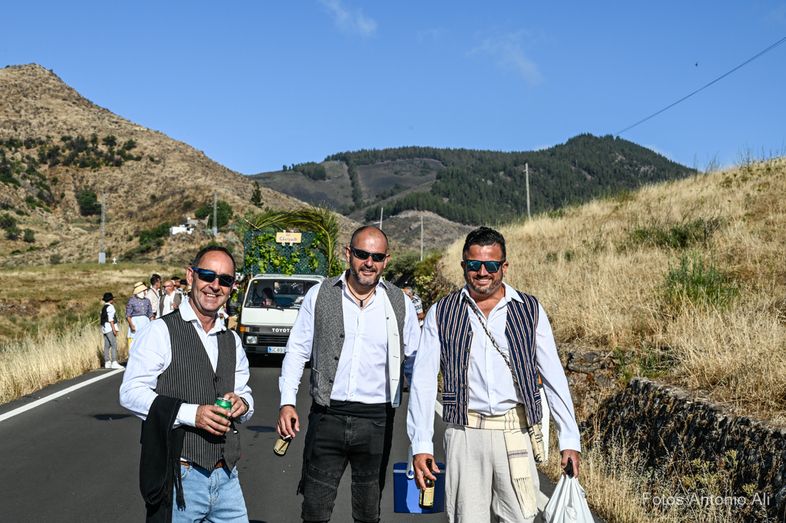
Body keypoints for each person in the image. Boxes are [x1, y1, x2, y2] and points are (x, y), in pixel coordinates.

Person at [407, 226, 582, 523]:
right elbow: (423, 382)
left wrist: (569, 439)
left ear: (504, 266)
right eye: (474, 264)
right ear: (463, 265)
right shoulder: (442, 312)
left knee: (520, 517)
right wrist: (421, 444)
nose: (482, 272)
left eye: (491, 265)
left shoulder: (529, 310)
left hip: (515, 432)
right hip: (463, 433)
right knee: (465, 518)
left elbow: (554, 378)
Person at [277, 225, 420, 523]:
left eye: (377, 257)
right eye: (362, 254)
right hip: (327, 415)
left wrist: (421, 433)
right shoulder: (320, 294)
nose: (369, 262)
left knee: (368, 513)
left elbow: (416, 362)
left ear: (386, 260)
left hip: (377, 421)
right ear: (348, 253)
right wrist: (287, 402)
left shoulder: (399, 303)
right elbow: (297, 350)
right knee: (314, 510)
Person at [119, 245, 254, 522]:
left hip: (227, 478)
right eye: (208, 275)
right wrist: (192, 414)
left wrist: (243, 403)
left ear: (232, 287)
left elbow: (245, 393)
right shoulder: (159, 331)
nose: (215, 286)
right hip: (180, 476)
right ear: (191, 276)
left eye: (225, 280)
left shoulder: (232, 340)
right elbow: (130, 392)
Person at [126, 281, 154, 350]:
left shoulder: (147, 301)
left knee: (145, 340)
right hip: (136, 322)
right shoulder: (132, 300)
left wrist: (153, 323)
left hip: (145, 322)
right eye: (144, 290)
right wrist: (131, 325)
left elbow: (150, 314)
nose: (145, 292)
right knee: (134, 341)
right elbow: (128, 315)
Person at [100, 292, 122, 369]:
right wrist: (114, 329)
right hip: (109, 328)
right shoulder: (111, 307)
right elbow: (111, 319)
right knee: (114, 345)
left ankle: (107, 362)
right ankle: (114, 362)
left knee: (107, 345)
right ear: (111, 300)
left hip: (104, 328)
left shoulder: (104, 307)